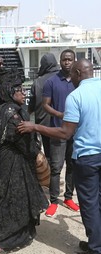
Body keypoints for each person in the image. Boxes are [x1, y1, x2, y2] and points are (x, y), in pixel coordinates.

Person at [17, 58, 101, 254]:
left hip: (88, 157)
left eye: (72, 73)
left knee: (89, 203)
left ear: (79, 74)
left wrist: (34, 126)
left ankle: (96, 250)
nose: (69, 77)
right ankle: (96, 240)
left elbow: (65, 133)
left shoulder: (76, 96)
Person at [0, 69, 49, 254]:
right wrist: (36, 154)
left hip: (0, 162)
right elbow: (24, 144)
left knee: (1, 198)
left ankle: (1, 237)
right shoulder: (12, 114)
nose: (24, 93)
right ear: (11, 92)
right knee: (9, 200)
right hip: (11, 164)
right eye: (20, 90)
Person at [42, 49, 79, 217]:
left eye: (70, 59)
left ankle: (69, 197)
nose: (67, 62)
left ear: (74, 60)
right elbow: (45, 105)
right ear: (60, 61)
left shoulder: (79, 81)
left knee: (72, 165)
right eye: (64, 59)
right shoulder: (51, 82)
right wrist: (60, 114)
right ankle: (54, 201)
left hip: (76, 132)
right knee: (56, 167)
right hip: (58, 129)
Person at [28, 53, 59, 160]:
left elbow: (31, 105)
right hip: (61, 123)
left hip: (43, 123)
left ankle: (51, 173)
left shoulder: (37, 82)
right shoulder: (63, 78)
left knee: (49, 154)